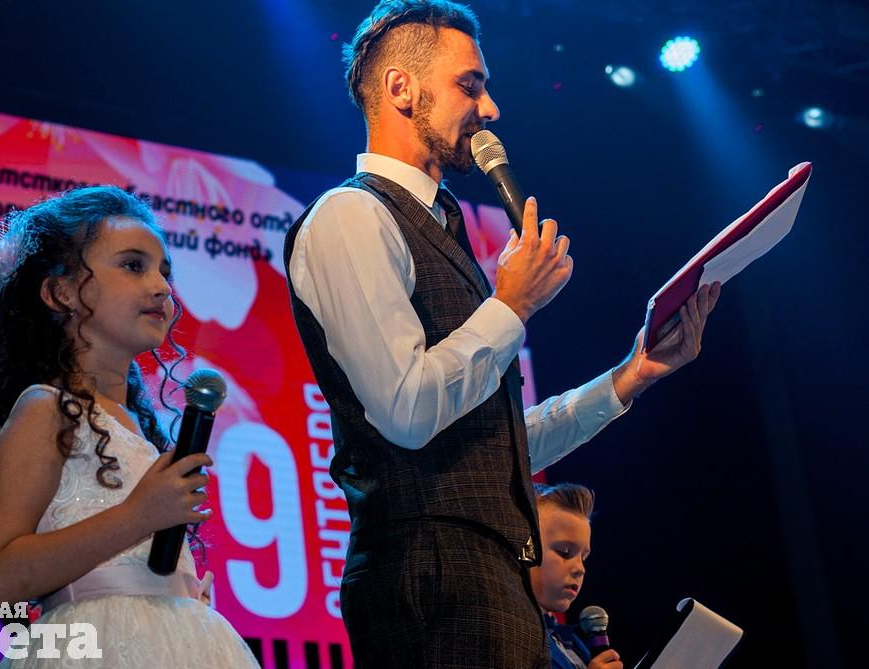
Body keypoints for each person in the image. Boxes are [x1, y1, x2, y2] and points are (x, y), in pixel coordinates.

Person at [282, 1, 721, 666]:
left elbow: (492, 445)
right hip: (432, 577)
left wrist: (628, 378)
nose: (490, 109)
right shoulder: (350, 215)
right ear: (401, 88)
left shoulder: (441, 226)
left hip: (489, 576)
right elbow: (406, 410)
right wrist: (511, 305)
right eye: (471, 85)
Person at [0, 186, 259, 668]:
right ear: (61, 292)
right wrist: (138, 516)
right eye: (134, 265)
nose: (161, 287)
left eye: (164, 271)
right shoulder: (46, 409)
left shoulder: (138, 427)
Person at [531, 483, 622, 669]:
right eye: (565, 552)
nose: (580, 569)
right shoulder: (515, 639)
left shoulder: (570, 641)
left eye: (583, 558)